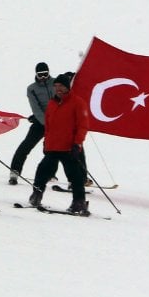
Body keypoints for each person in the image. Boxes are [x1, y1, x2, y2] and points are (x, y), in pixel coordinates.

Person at [28, 72, 88, 213]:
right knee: (42, 171)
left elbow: (83, 126)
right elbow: (48, 125)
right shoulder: (52, 103)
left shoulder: (78, 103)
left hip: (69, 147)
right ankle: (36, 195)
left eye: (61, 86)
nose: (58, 89)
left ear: (67, 87)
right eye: (56, 86)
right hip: (53, 146)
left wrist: (77, 143)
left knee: (75, 176)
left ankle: (79, 202)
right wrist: (46, 142)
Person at [9, 62, 52, 185]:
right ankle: (14, 171)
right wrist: (45, 122)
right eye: (40, 75)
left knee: (60, 149)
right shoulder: (32, 88)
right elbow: (36, 108)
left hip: (57, 122)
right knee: (26, 145)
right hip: (41, 122)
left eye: (45, 74)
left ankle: (73, 178)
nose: (43, 77)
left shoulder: (56, 83)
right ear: (36, 75)